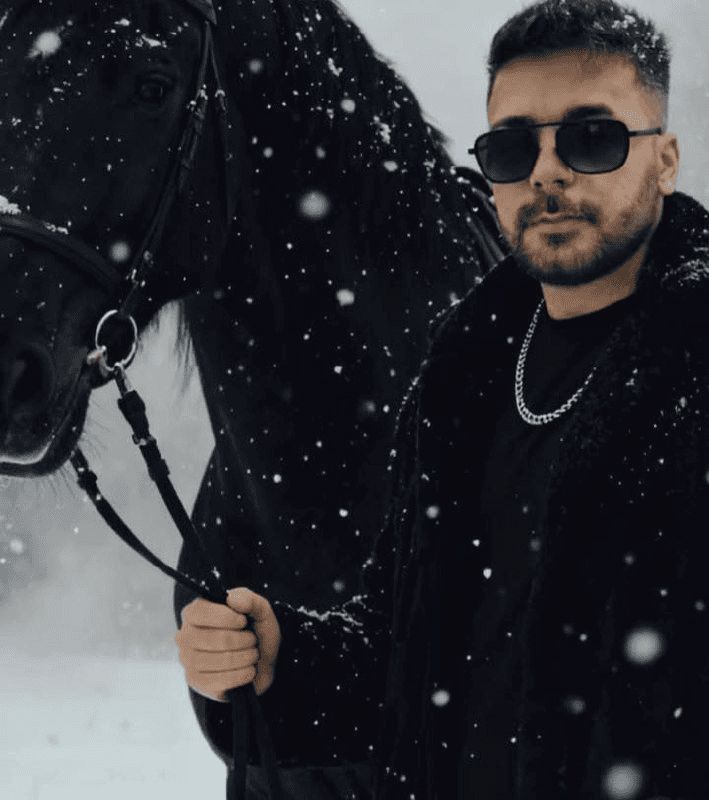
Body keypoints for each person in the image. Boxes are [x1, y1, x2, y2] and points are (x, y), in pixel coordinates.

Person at [175, 0, 709, 796]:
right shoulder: (462, 380)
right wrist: (283, 655)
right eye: (512, 147)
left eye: (592, 138)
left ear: (663, 160)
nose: (546, 171)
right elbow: (406, 663)